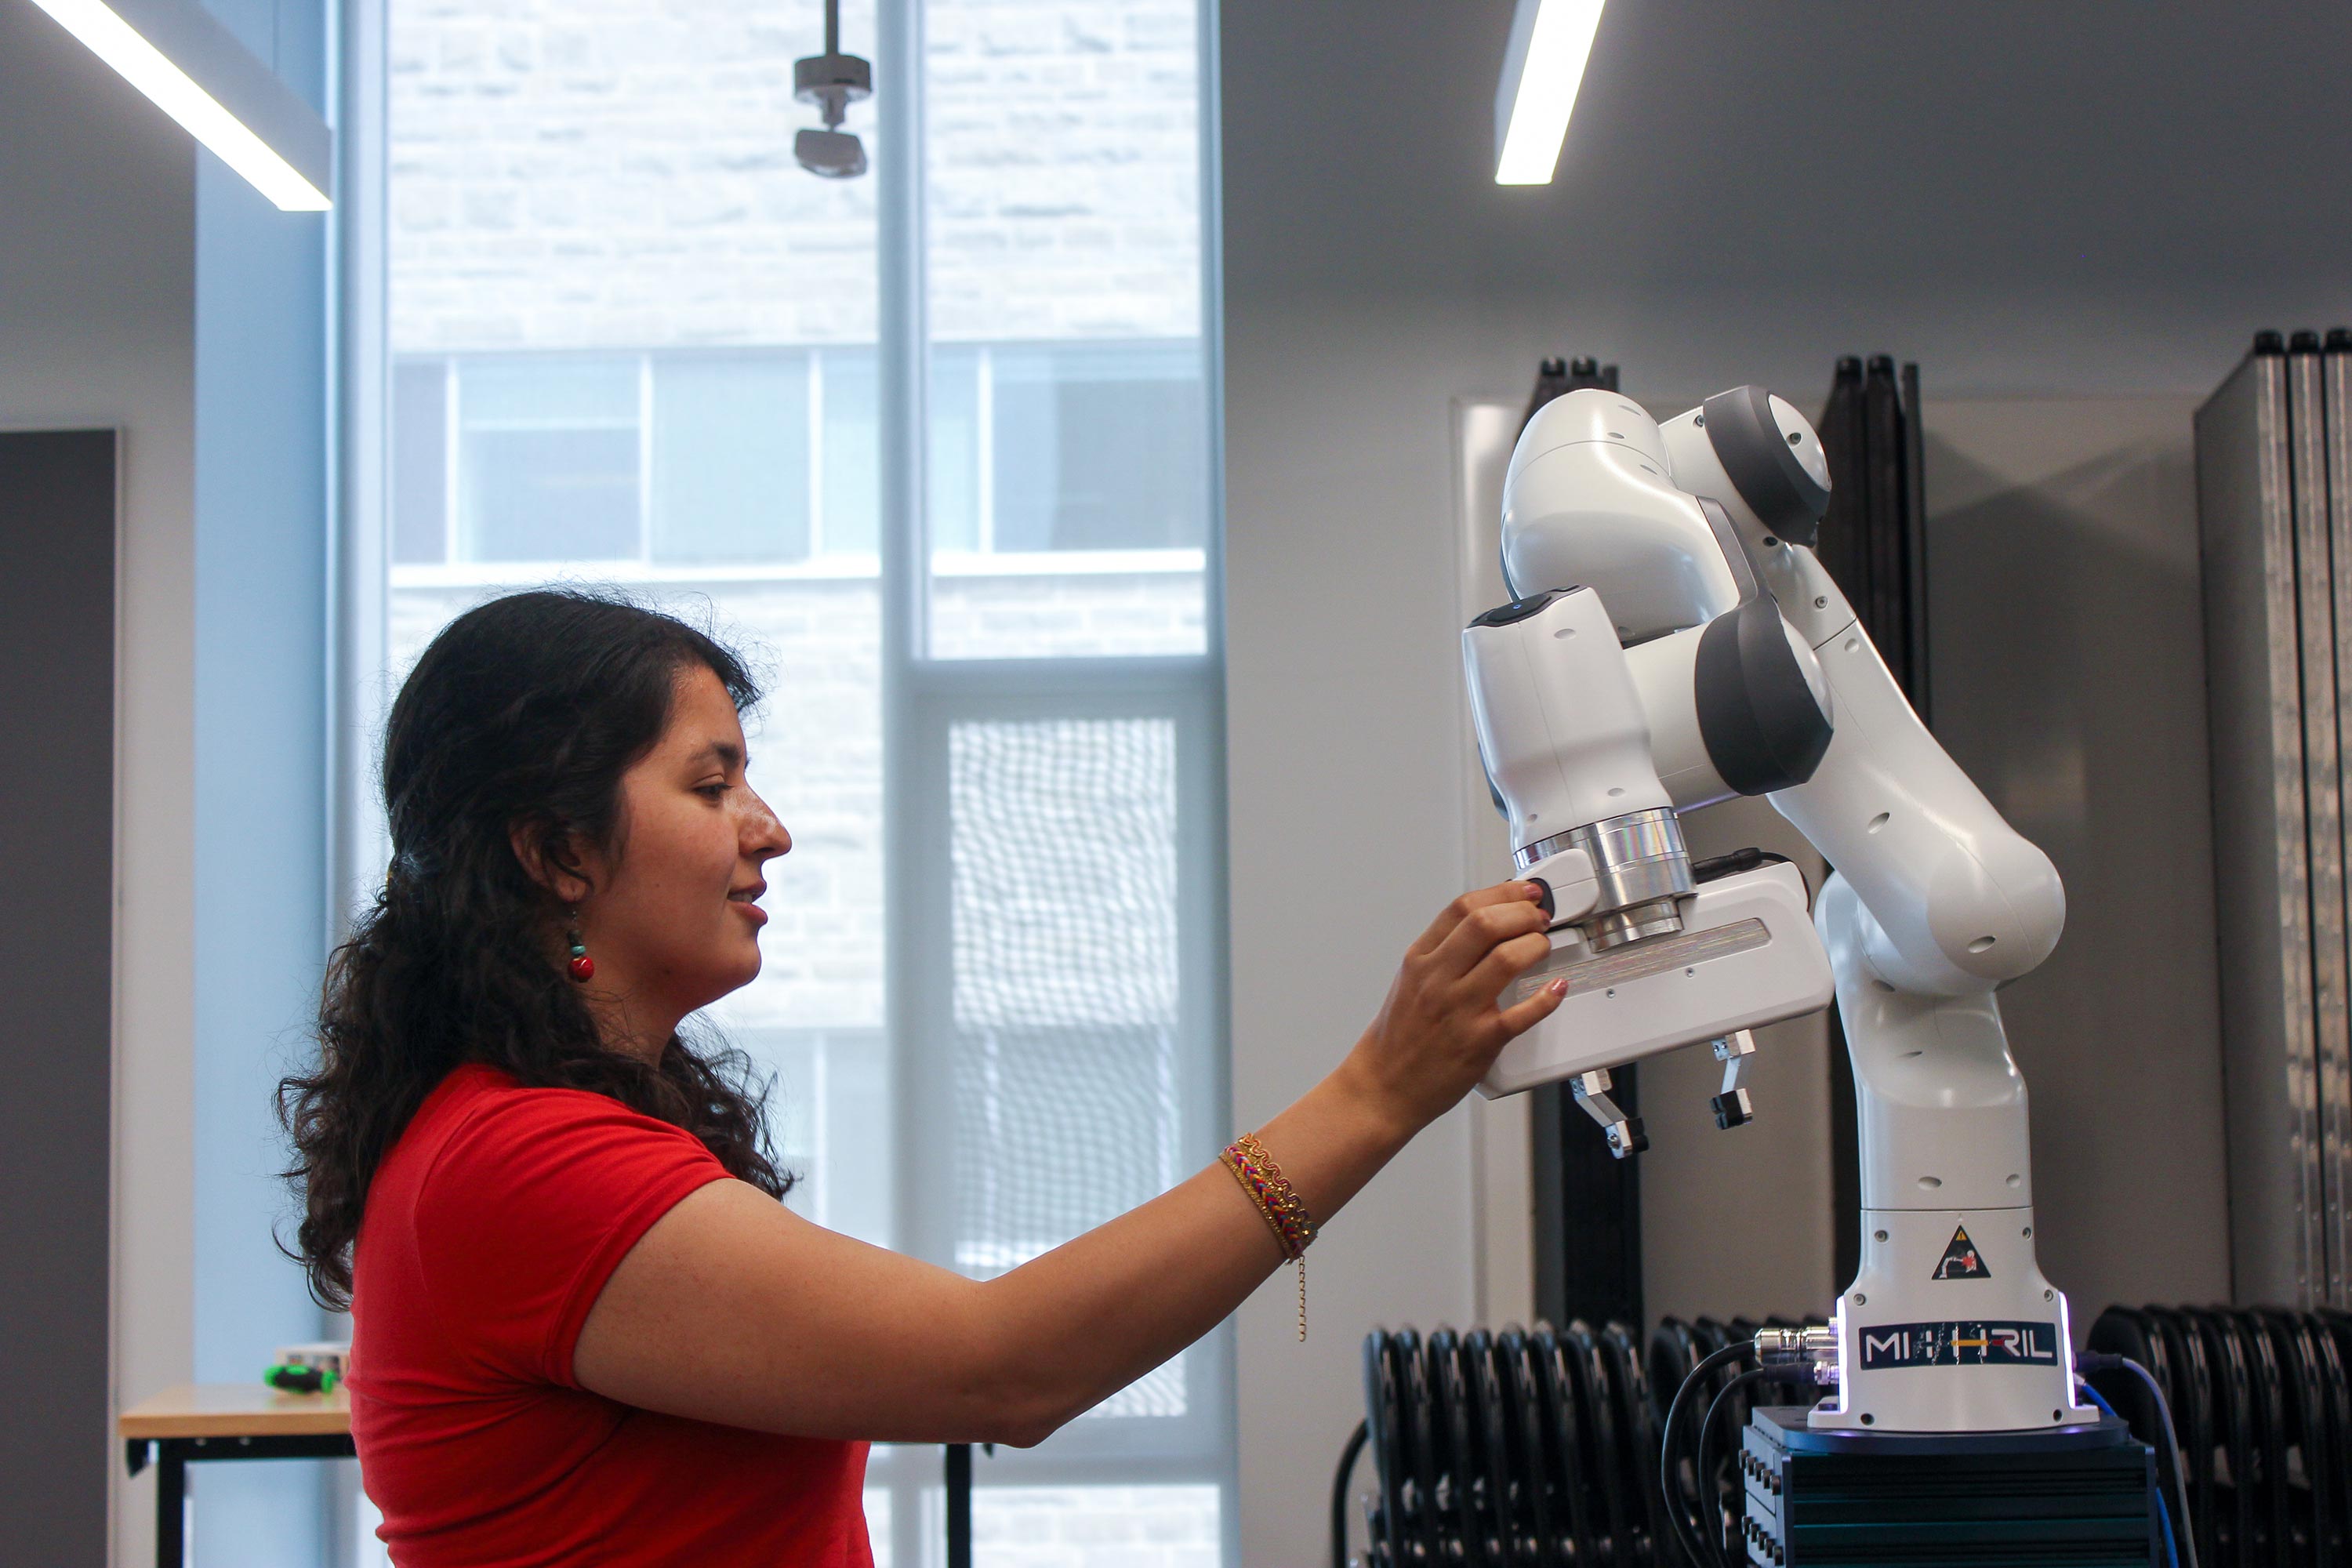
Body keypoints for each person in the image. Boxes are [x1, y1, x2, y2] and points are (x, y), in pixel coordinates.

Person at [281, 589, 1566, 1567]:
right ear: (560, 850)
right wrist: (1378, 1092)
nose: (767, 827)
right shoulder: (521, 1165)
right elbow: (999, 1370)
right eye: (710, 782)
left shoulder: (528, 1135)